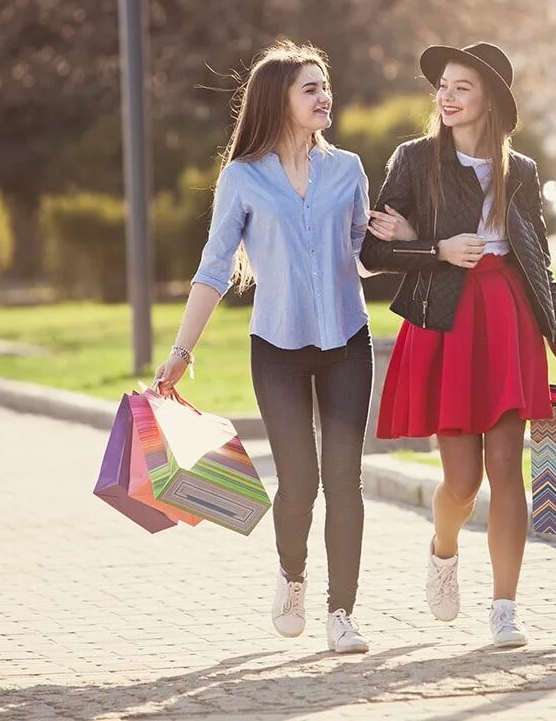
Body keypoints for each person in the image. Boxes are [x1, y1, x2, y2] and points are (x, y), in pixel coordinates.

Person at [361, 41, 556, 648]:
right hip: (447, 323)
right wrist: (434, 248)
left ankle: (505, 606)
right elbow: (373, 251)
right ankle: (443, 550)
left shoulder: (518, 171)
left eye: (461, 86)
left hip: (508, 321)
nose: (445, 96)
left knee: (506, 468)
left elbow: (540, 267)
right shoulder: (414, 161)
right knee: (462, 483)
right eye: (442, 86)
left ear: (489, 100)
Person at [153, 40, 375, 656]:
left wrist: (406, 240)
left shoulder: (349, 169)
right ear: (279, 99)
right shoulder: (242, 178)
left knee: (344, 478)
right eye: (311, 88)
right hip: (277, 346)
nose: (324, 96)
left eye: (325, 85)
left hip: (346, 341)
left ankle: (343, 613)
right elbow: (215, 268)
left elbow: (365, 254)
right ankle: (293, 574)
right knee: (299, 480)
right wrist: (181, 351)